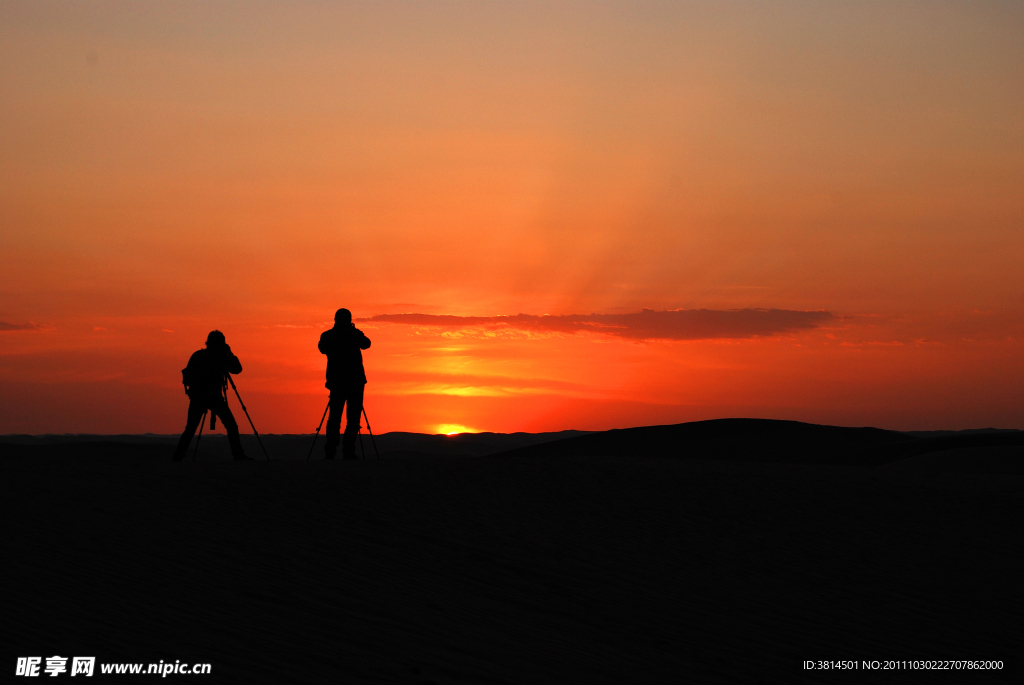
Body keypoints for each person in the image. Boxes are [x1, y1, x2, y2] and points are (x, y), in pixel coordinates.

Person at [173, 330, 250, 461]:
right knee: (231, 425)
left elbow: (188, 377)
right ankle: (238, 455)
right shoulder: (222, 357)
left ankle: (178, 456)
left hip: (198, 397)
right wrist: (229, 353)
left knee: (190, 428)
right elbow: (237, 369)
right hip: (214, 397)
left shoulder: (197, 356)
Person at [318, 308, 371, 459]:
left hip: (337, 382)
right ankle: (348, 451)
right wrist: (354, 332)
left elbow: (322, 348)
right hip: (354, 382)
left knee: (335, 417)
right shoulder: (353, 334)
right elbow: (366, 343)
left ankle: (331, 451)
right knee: (352, 418)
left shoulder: (328, 335)